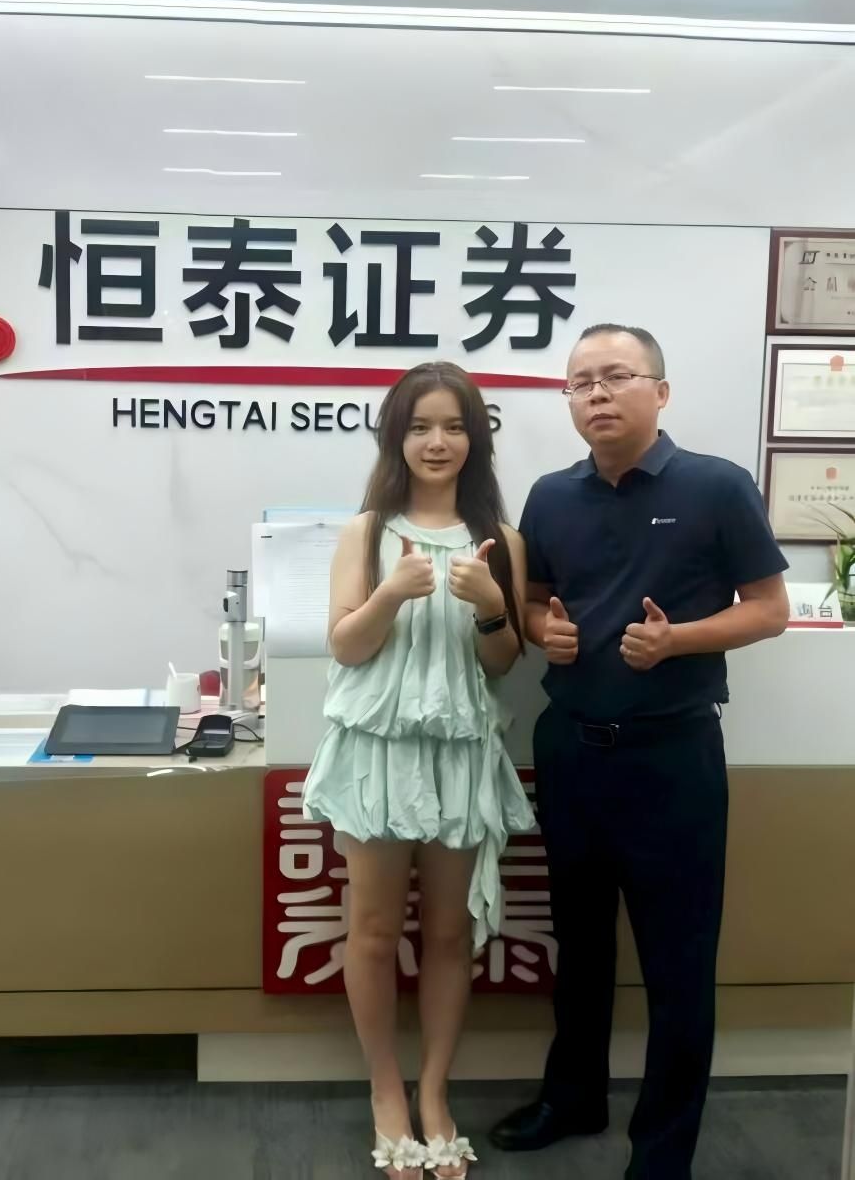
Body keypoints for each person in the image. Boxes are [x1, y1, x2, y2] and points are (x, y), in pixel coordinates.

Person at [490, 324, 790, 1180]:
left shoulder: (717, 485)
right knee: (579, 947)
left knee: (678, 963)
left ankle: (662, 1152)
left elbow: (768, 608)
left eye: (616, 375)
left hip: (673, 758)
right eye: (580, 381)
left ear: (660, 391)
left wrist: (678, 639)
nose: (596, 393)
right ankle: (573, 1096)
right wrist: (544, 628)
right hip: (573, 752)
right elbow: (537, 597)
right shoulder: (551, 495)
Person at [303, 361, 535, 1180]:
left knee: (446, 932)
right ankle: (385, 1093)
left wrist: (492, 606)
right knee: (371, 930)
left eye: (455, 426)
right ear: (396, 437)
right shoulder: (367, 531)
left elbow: (502, 663)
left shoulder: (501, 539)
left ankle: (434, 1091)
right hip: (379, 750)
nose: (439, 442)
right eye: (421, 426)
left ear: (477, 438)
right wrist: (393, 592)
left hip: (459, 752)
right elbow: (345, 646)